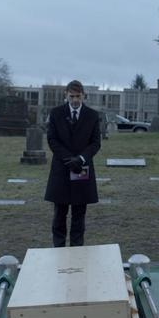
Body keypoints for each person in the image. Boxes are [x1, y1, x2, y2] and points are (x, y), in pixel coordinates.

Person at [44, 80, 101, 247]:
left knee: (79, 215)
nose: (75, 100)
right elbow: (52, 139)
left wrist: (81, 159)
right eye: (72, 96)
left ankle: (77, 251)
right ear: (66, 95)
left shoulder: (92, 116)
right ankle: (58, 249)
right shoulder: (56, 113)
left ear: (83, 95)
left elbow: (95, 143)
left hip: (82, 168)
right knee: (59, 214)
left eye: (78, 96)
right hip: (61, 168)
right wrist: (68, 158)